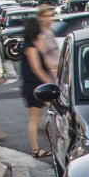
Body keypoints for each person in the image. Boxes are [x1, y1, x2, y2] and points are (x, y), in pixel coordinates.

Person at [19, 16, 53, 157]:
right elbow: (36, 69)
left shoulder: (34, 46)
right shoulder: (29, 48)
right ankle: (35, 149)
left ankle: (39, 146)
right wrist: (48, 82)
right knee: (35, 118)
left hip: (37, 85)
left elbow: (47, 65)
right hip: (34, 86)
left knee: (51, 112)